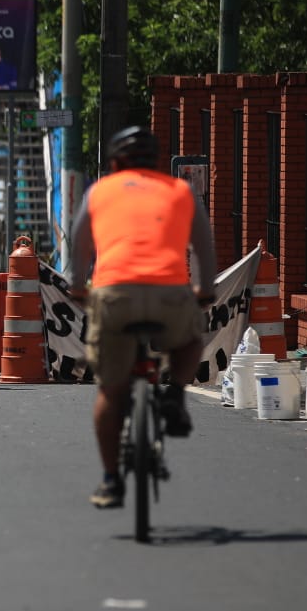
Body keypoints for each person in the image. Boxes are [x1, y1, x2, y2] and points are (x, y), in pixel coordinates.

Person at [67, 126, 216, 509]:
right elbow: (202, 246)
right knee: (191, 337)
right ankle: (176, 395)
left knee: (110, 391)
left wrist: (78, 286)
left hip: (114, 295)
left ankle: (111, 480)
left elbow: (80, 244)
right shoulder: (181, 191)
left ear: (116, 162)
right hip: (170, 293)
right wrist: (203, 291)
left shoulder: (99, 191)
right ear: (155, 159)